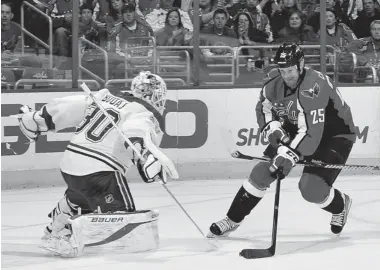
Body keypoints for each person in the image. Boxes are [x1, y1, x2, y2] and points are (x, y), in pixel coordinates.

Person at [16, 72, 178, 257]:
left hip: (70, 162)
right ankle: (72, 234)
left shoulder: (105, 96)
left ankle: (55, 228)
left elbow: (67, 107)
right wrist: (146, 155)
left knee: (82, 196)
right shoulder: (145, 112)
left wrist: (36, 119)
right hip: (101, 169)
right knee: (121, 222)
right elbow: (135, 131)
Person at [208, 43, 356, 238]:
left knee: (310, 188)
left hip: (335, 135)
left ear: (301, 65)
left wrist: (289, 154)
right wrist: (272, 128)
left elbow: (312, 133)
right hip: (299, 126)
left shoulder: (313, 86)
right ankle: (232, 219)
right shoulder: (273, 79)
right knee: (262, 172)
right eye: (283, 70)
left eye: (291, 70)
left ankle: (340, 205)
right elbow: (263, 108)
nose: (287, 76)